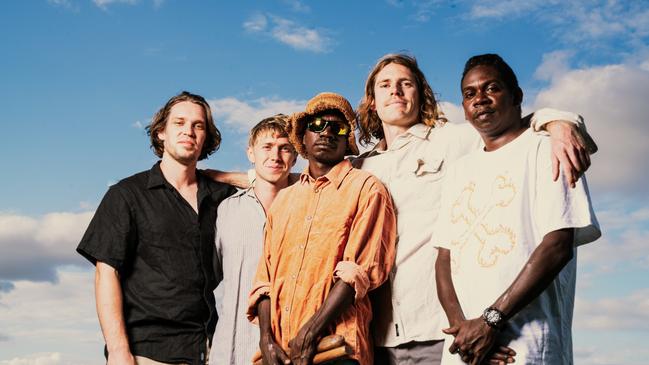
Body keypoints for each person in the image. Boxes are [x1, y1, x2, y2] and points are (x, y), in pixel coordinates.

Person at [353, 53, 597, 365]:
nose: (395, 91)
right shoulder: (359, 167)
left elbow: (512, 123)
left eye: (406, 84)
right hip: (380, 334)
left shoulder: (453, 138)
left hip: (436, 329)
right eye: (385, 85)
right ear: (372, 101)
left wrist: (560, 122)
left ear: (421, 93)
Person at [433, 53, 601, 365]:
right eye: (470, 94)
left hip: (526, 346)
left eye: (491, 88)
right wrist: (464, 332)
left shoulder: (546, 148)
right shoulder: (459, 170)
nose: (480, 99)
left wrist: (490, 322)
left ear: (516, 96)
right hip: (467, 350)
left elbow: (557, 246)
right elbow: (444, 258)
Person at [77, 91, 236, 365]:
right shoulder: (127, 194)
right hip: (146, 351)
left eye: (198, 126)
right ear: (161, 132)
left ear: (206, 137)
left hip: (208, 350)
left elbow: (279, 182)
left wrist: (233, 177)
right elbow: (106, 274)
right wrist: (117, 351)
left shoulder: (223, 196)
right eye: (179, 123)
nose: (189, 131)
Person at [246, 92, 397, 365]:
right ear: (303, 137)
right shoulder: (284, 201)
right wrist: (266, 339)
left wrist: (310, 332)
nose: (326, 132)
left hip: (338, 350)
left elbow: (356, 272)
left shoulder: (366, 189)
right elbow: (264, 282)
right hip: (280, 353)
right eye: (317, 125)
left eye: (337, 128)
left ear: (346, 140)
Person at [211, 114, 297, 365]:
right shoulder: (226, 210)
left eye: (285, 148)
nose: (275, 156)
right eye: (267, 147)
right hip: (231, 349)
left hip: (290, 348)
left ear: (296, 156)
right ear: (251, 153)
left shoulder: (307, 207)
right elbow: (211, 276)